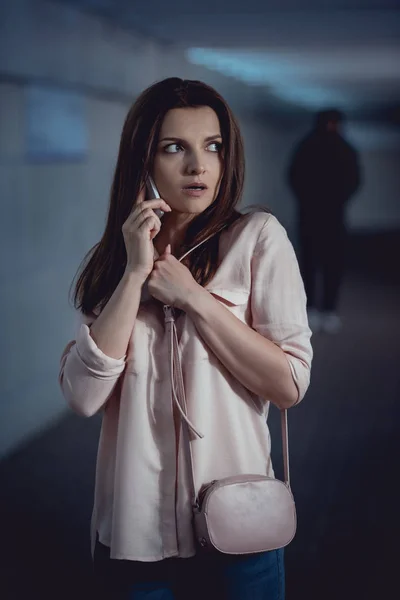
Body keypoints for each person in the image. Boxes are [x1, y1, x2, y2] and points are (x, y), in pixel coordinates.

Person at [59, 77, 313, 600]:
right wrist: (134, 275)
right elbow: (82, 396)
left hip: (239, 525)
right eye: (175, 147)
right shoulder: (117, 262)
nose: (199, 166)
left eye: (213, 147)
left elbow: (289, 384)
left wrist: (196, 299)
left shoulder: (257, 239)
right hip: (137, 532)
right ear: (143, 161)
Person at [287, 109, 361, 333]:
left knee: (331, 264)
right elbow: (294, 177)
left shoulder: (314, 146)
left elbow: (354, 180)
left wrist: (335, 200)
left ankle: (328, 309)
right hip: (315, 214)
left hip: (329, 215)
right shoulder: (312, 147)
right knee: (310, 263)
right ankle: (312, 308)